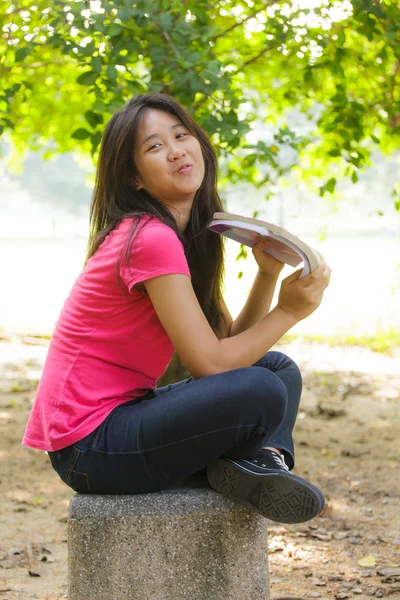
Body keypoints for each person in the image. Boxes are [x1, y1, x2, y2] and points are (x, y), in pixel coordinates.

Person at [22, 93, 331, 524]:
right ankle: (251, 463)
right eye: (154, 146)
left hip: (121, 423)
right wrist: (290, 311)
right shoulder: (149, 238)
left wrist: (266, 275)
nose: (176, 150)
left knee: (275, 369)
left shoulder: (179, 238)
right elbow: (212, 366)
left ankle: (260, 464)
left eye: (181, 134)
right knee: (261, 389)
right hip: (88, 448)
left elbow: (227, 346)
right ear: (134, 178)